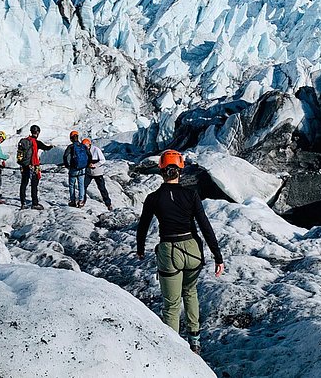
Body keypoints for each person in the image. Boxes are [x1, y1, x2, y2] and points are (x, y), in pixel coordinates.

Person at [135, 149, 224, 355]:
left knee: (172, 304)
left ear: (162, 171)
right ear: (180, 171)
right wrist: (217, 257)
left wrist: (140, 249)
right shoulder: (191, 195)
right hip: (192, 250)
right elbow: (205, 226)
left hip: (169, 252)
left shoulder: (153, 198)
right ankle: (195, 341)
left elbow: (143, 226)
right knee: (190, 292)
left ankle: (173, 351)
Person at [17, 124, 53, 210]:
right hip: (33, 166)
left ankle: (23, 203)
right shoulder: (37, 142)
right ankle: (35, 203)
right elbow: (46, 148)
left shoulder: (24, 141)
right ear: (37, 132)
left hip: (24, 165)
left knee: (23, 184)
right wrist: (51, 146)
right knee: (34, 185)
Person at [82, 138, 113, 210]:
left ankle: (108, 204)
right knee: (83, 187)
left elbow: (103, 160)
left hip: (97, 173)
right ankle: (83, 201)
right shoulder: (83, 151)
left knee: (102, 189)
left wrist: (95, 165)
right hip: (88, 172)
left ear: (89, 144)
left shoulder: (96, 150)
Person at [63, 131, 91, 207]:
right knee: (81, 185)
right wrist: (88, 164)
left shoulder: (71, 147)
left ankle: (73, 201)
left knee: (72, 185)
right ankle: (81, 201)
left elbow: (65, 156)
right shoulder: (83, 146)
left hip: (73, 168)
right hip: (82, 168)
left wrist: (67, 165)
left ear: (71, 138)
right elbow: (89, 155)